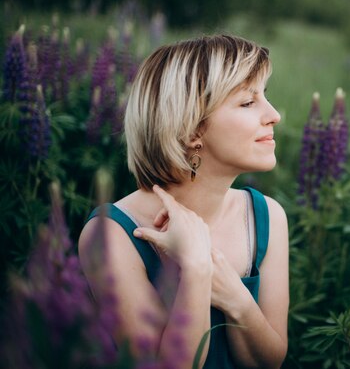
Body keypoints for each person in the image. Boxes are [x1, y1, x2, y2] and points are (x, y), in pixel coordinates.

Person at [79, 34, 289, 368]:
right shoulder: (111, 234)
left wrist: (236, 298)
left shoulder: (266, 217)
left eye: (265, 97)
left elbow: (269, 361)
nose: (274, 114)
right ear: (192, 131)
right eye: (248, 103)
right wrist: (196, 269)